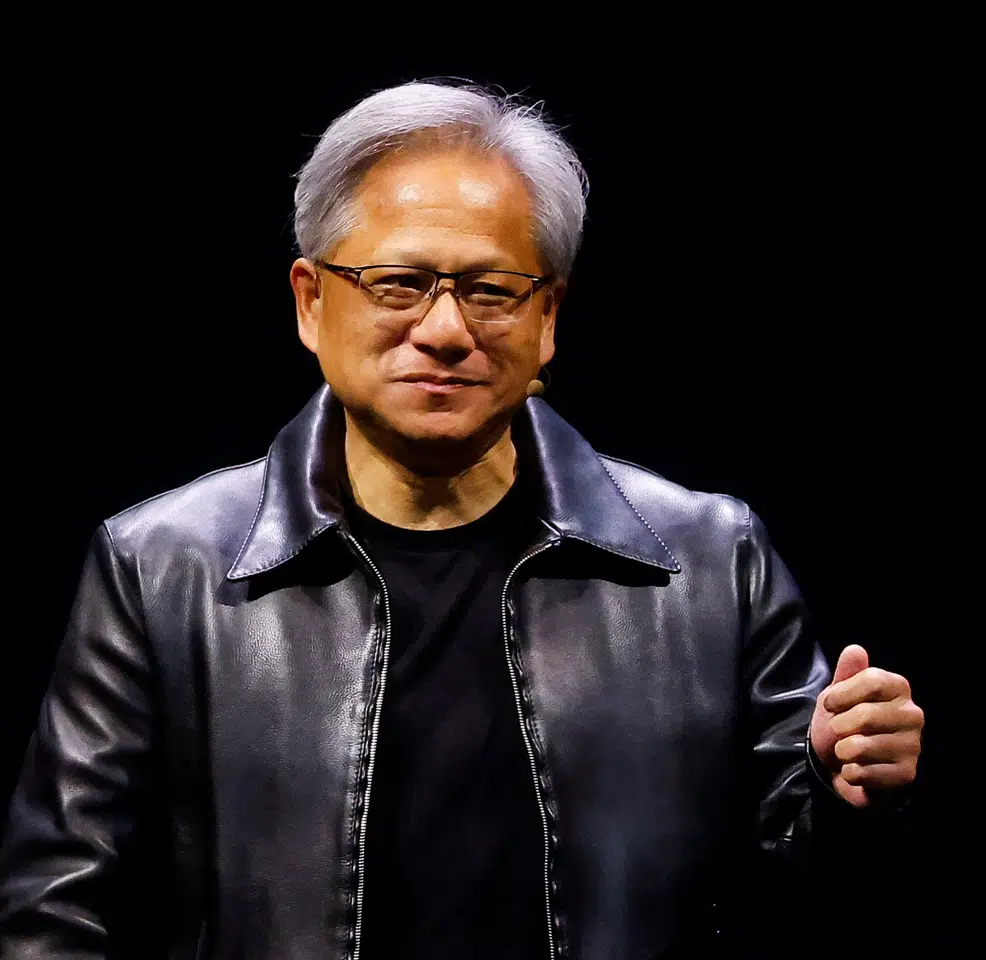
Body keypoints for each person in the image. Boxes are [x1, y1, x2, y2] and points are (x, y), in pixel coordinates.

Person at [0, 81, 925, 959]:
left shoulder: (708, 560)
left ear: (548, 316)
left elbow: (809, 893)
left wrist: (847, 785)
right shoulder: (163, 565)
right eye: (399, 282)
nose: (445, 330)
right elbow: (62, 901)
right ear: (311, 302)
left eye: (490, 290)